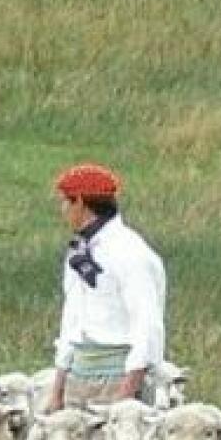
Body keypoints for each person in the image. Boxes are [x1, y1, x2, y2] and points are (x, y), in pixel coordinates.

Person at [42, 163, 167, 414]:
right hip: (79, 377)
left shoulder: (130, 253)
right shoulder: (79, 253)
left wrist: (126, 394)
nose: (63, 210)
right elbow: (72, 318)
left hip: (117, 377)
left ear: (79, 203)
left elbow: (146, 322)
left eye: (65, 202)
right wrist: (58, 389)